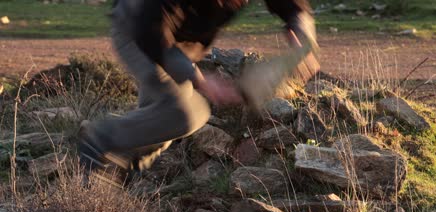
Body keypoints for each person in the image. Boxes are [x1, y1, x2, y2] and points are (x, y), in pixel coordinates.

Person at [78, 0, 317, 188]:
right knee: (186, 113)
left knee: (156, 128)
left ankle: (108, 175)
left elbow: (292, 7)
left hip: (182, 42)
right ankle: (100, 141)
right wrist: (200, 80)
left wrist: (302, 32)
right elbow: (150, 28)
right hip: (140, 30)